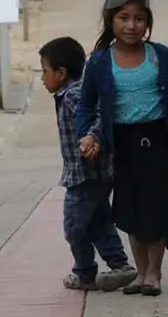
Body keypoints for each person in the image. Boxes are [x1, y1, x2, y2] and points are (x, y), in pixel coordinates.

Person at [76, 0, 168, 297]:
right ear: (111, 21)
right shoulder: (99, 61)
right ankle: (139, 274)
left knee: (157, 207)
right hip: (121, 143)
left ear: (147, 22)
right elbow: (86, 104)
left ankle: (154, 273)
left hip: (158, 140)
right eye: (123, 18)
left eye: (139, 18)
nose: (131, 25)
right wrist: (86, 133)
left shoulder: (160, 55)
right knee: (129, 209)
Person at [39, 36, 138, 293]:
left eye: (44, 71)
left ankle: (84, 272)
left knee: (74, 226)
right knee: (99, 221)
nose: (42, 78)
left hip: (85, 175)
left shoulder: (73, 95)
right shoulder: (76, 91)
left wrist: (91, 137)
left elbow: (98, 117)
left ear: (61, 73)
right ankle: (120, 266)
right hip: (95, 174)